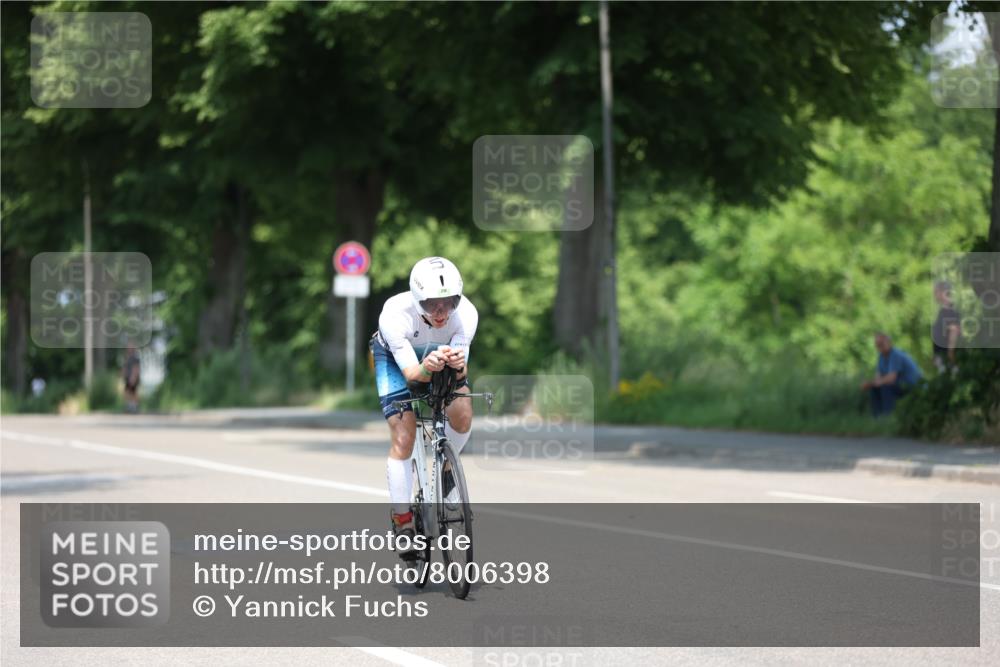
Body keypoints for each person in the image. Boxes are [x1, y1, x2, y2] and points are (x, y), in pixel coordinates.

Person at [369, 257, 478, 556]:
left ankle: (446, 471)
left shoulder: (466, 314)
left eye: (449, 302)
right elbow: (413, 376)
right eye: (431, 304)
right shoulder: (395, 315)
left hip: (437, 360)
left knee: (463, 414)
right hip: (397, 362)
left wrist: (457, 366)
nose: (441, 312)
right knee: (404, 437)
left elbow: (461, 375)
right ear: (417, 300)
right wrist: (427, 367)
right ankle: (403, 520)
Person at [860, 333, 923, 417]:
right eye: (877, 345)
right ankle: (878, 418)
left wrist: (870, 383)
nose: (879, 347)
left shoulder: (896, 354)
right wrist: (871, 384)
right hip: (899, 385)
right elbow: (878, 378)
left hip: (912, 385)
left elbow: (891, 378)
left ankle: (888, 416)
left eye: (881, 344)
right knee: (875, 388)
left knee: (886, 387)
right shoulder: (881, 357)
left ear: (889, 342)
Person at [931, 280, 961, 373]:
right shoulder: (943, 310)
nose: (934, 295)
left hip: (948, 360)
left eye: (936, 291)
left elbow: (954, 332)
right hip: (942, 358)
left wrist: (950, 355)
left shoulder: (949, 310)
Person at [122, 343, 141, 413]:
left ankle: (135, 407)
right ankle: (130, 406)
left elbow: (136, 368)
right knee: (127, 392)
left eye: (130, 348)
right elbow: (125, 367)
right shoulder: (127, 357)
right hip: (128, 378)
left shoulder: (135, 358)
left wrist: (133, 377)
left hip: (133, 378)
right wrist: (123, 374)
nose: (128, 349)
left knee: (133, 392)